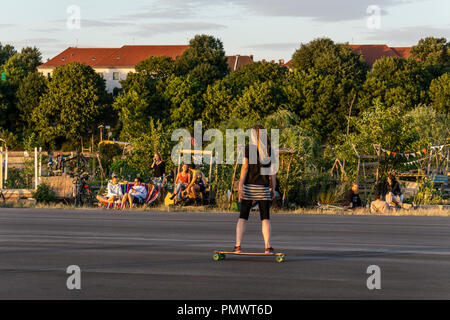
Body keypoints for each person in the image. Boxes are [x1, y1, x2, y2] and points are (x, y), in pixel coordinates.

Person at [235, 124, 277, 254]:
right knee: (265, 218)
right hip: (263, 188)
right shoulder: (270, 150)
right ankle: (267, 247)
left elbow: (245, 168)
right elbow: (273, 172)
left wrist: (240, 185)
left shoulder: (249, 148)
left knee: (243, 217)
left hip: (249, 187)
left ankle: (237, 246)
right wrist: (273, 188)